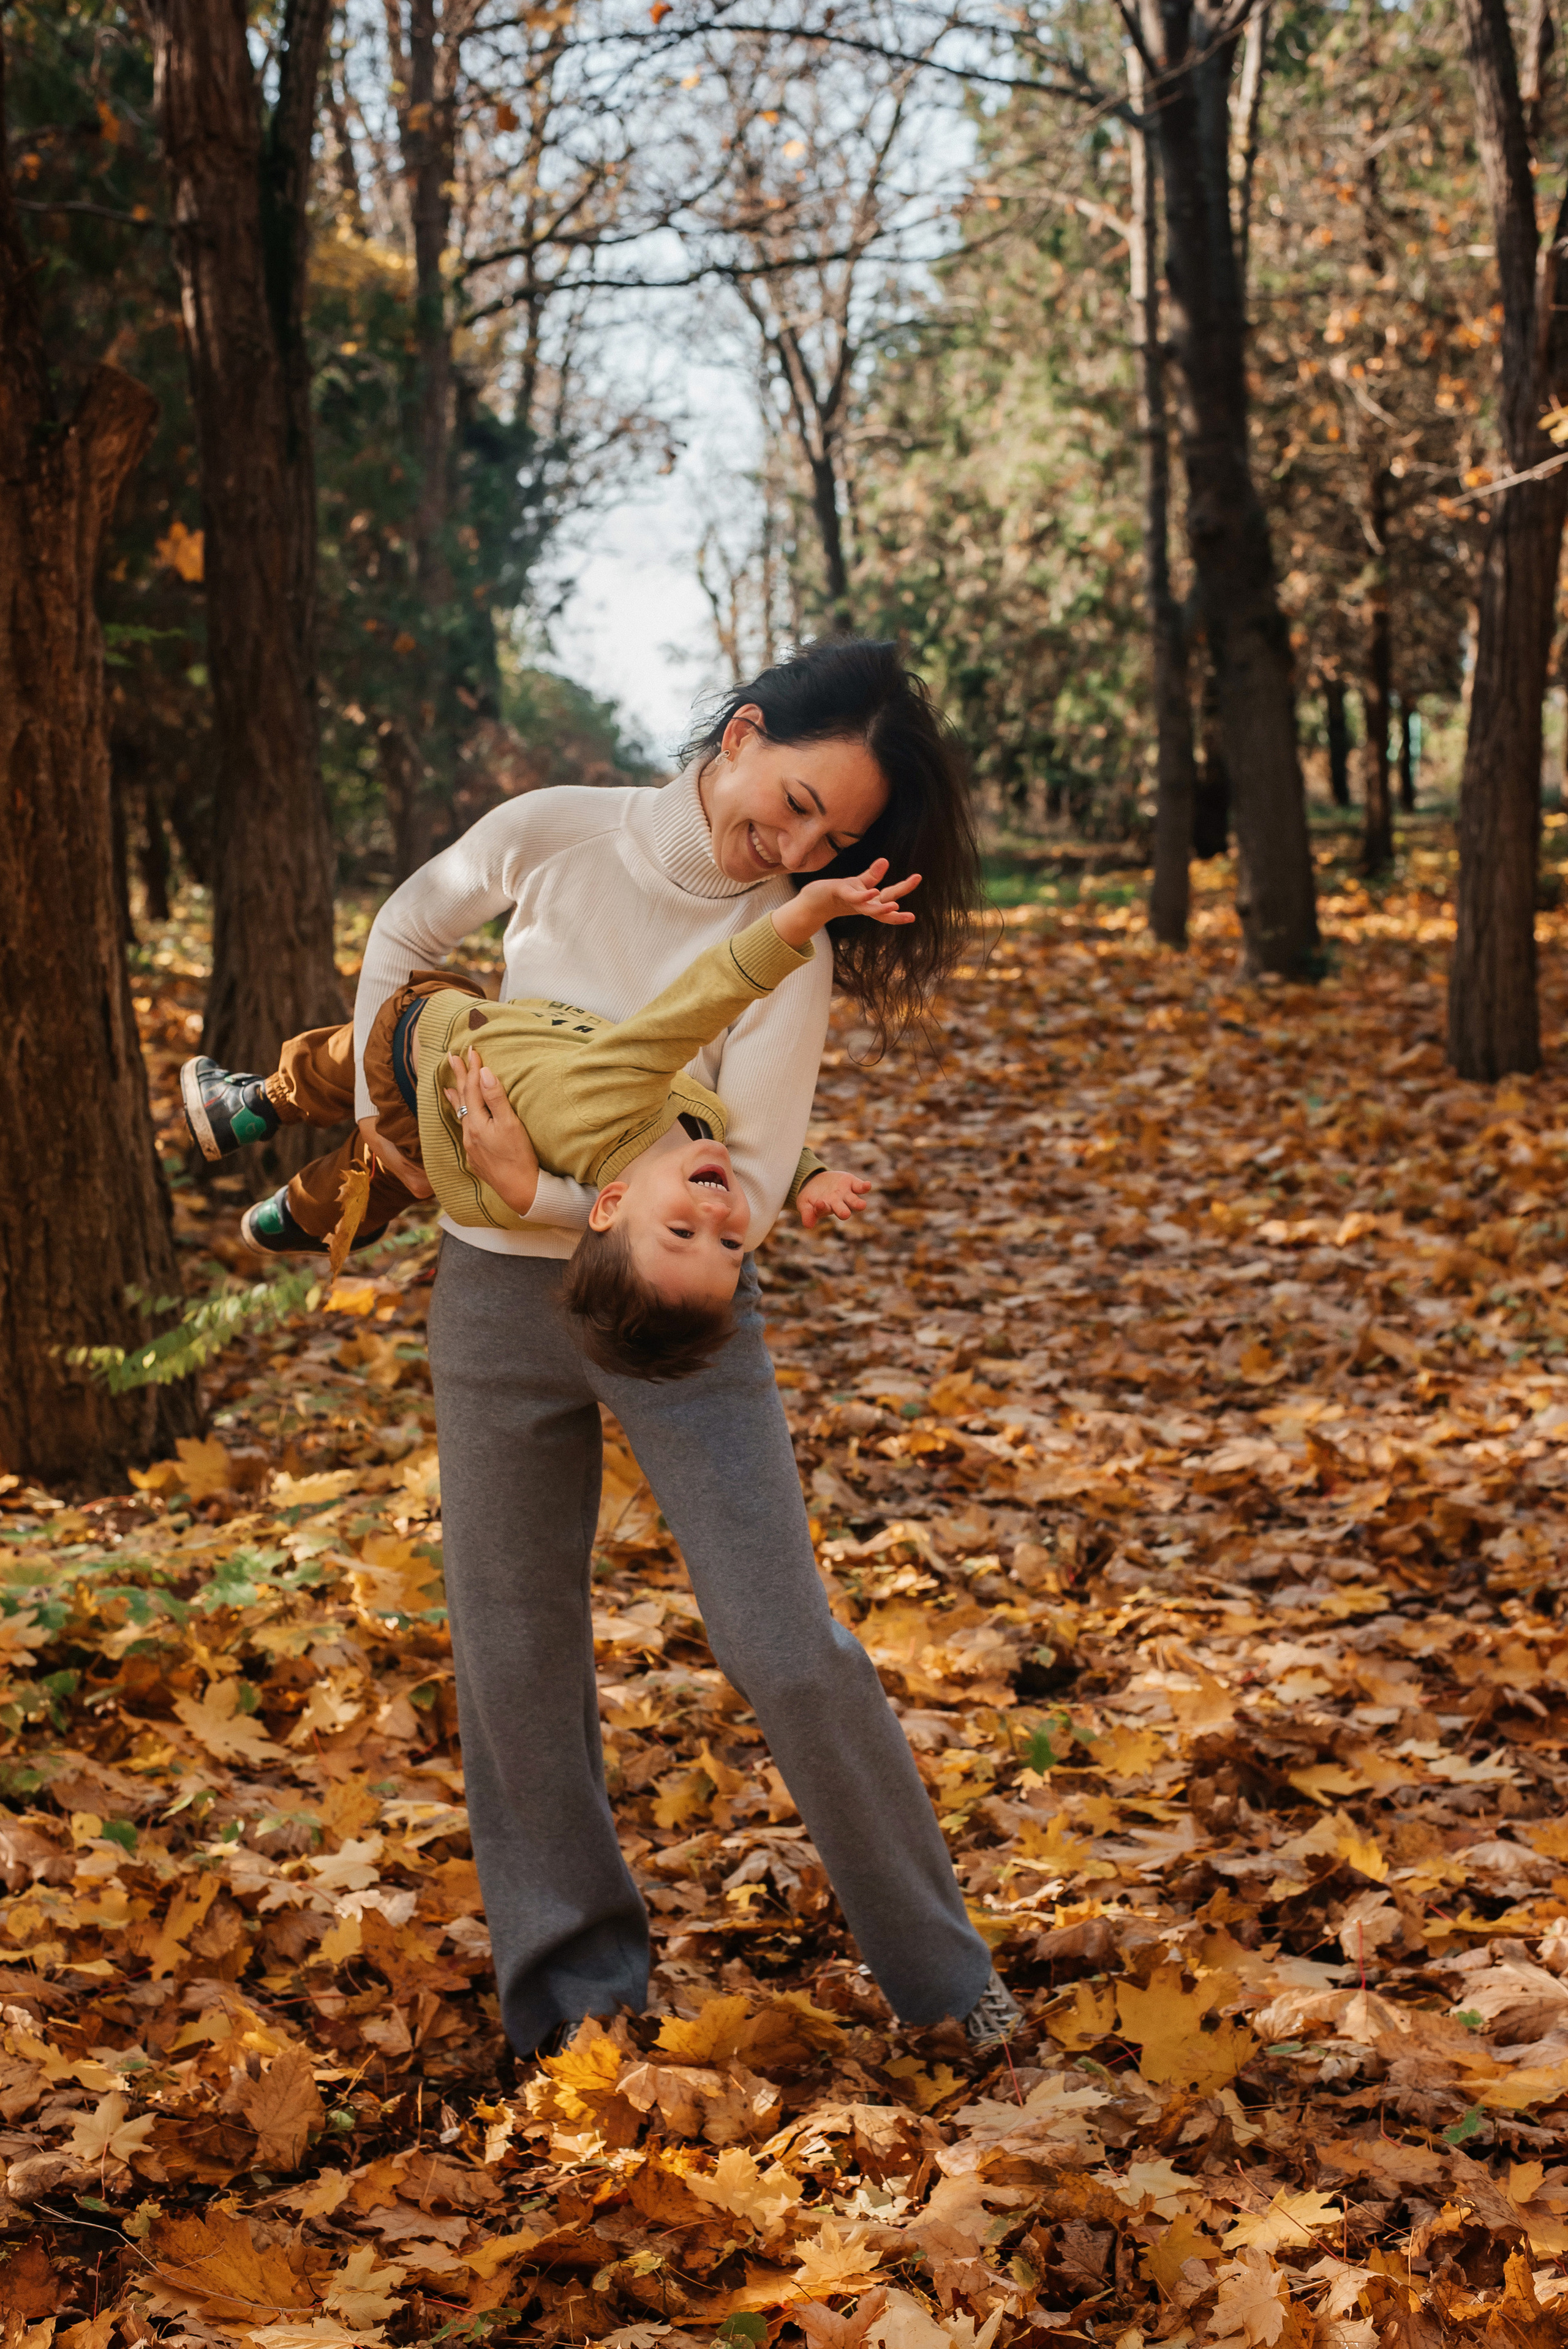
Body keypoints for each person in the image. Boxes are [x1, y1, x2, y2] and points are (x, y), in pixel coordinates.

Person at [346, 637, 1022, 2056]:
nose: (792, 849)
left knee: (785, 1644)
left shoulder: (788, 947)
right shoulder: (557, 831)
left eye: (828, 842)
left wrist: (548, 1194)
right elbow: (408, 922)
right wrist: (373, 1098)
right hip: (492, 1302)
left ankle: (947, 1988)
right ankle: (574, 2009)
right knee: (513, 1652)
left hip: (683, 1307)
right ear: (742, 734)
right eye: (792, 804)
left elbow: (751, 1189)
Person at [181, 866, 906, 1377]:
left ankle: (252, 1106)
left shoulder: (611, 1110)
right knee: (389, 1173)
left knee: (340, 1063)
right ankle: (302, 1218)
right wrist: (803, 1174)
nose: (717, 1215)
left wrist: (796, 921)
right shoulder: (685, 1150)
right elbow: (730, 1130)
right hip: (455, 1120)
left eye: (683, 1232)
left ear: (610, 1205)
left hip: (423, 1048)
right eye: (730, 1243)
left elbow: (698, 1003)